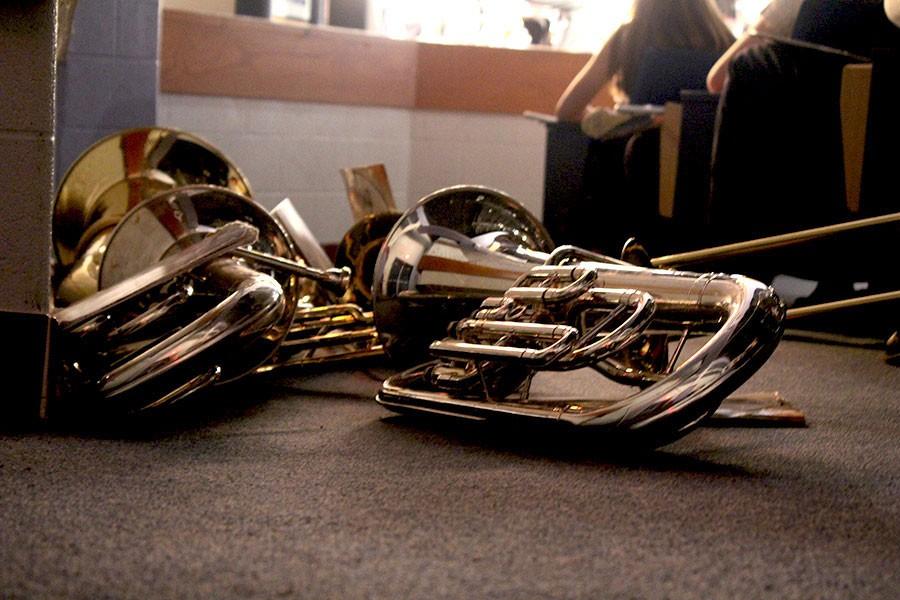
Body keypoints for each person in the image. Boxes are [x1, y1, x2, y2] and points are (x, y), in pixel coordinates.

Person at [555, 0, 734, 122]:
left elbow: (568, 109)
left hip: (640, 162)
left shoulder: (629, 37)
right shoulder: (726, 42)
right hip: (708, 166)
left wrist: (615, 118)